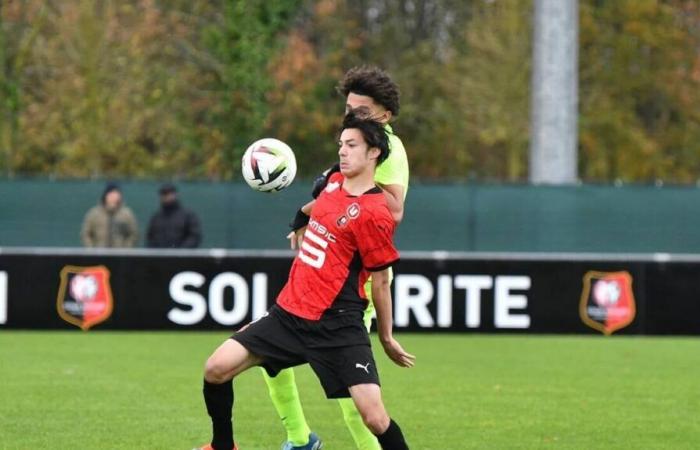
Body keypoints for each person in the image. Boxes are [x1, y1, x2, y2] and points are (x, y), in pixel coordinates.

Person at [196, 112, 414, 450]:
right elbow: (319, 205)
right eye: (341, 144)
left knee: (374, 418)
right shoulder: (335, 183)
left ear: (373, 153)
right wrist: (299, 217)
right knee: (216, 369)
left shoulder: (374, 213)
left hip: (338, 328)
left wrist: (386, 338)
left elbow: (382, 282)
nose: (342, 151)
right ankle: (222, 446)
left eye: (351, 145)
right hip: (288, 315)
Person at [269, 66, 410, 450]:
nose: (351, 117)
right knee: (266, 355)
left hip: (353, 284)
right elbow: (339, 193)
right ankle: (299, 439)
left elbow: (393, 210)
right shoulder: (354, 145)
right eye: (348, 108)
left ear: (384, 115)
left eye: (360, 110)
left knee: (359, 404)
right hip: (324, 275)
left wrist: (341, 185)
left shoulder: (388, 149)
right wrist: (309, 209)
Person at [81, 182, 138, 248]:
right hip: (98, 255)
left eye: (116, 194)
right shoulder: (94, 213)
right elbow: (85, 234)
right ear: (106, 195)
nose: (114, 196)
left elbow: (134, 234)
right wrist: (91, 250)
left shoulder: (127, 214)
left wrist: (126, 250)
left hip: (120, 255)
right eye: (111, 194)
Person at [146, 183, 202, 248]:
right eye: (163, 194)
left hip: (183, 256)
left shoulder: (188, 215)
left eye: (168, 193)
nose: (166, 197)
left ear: (175, 194)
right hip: (160, 256)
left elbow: (194, 236)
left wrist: (181, 251)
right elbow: (150, 238)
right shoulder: (156, 217)